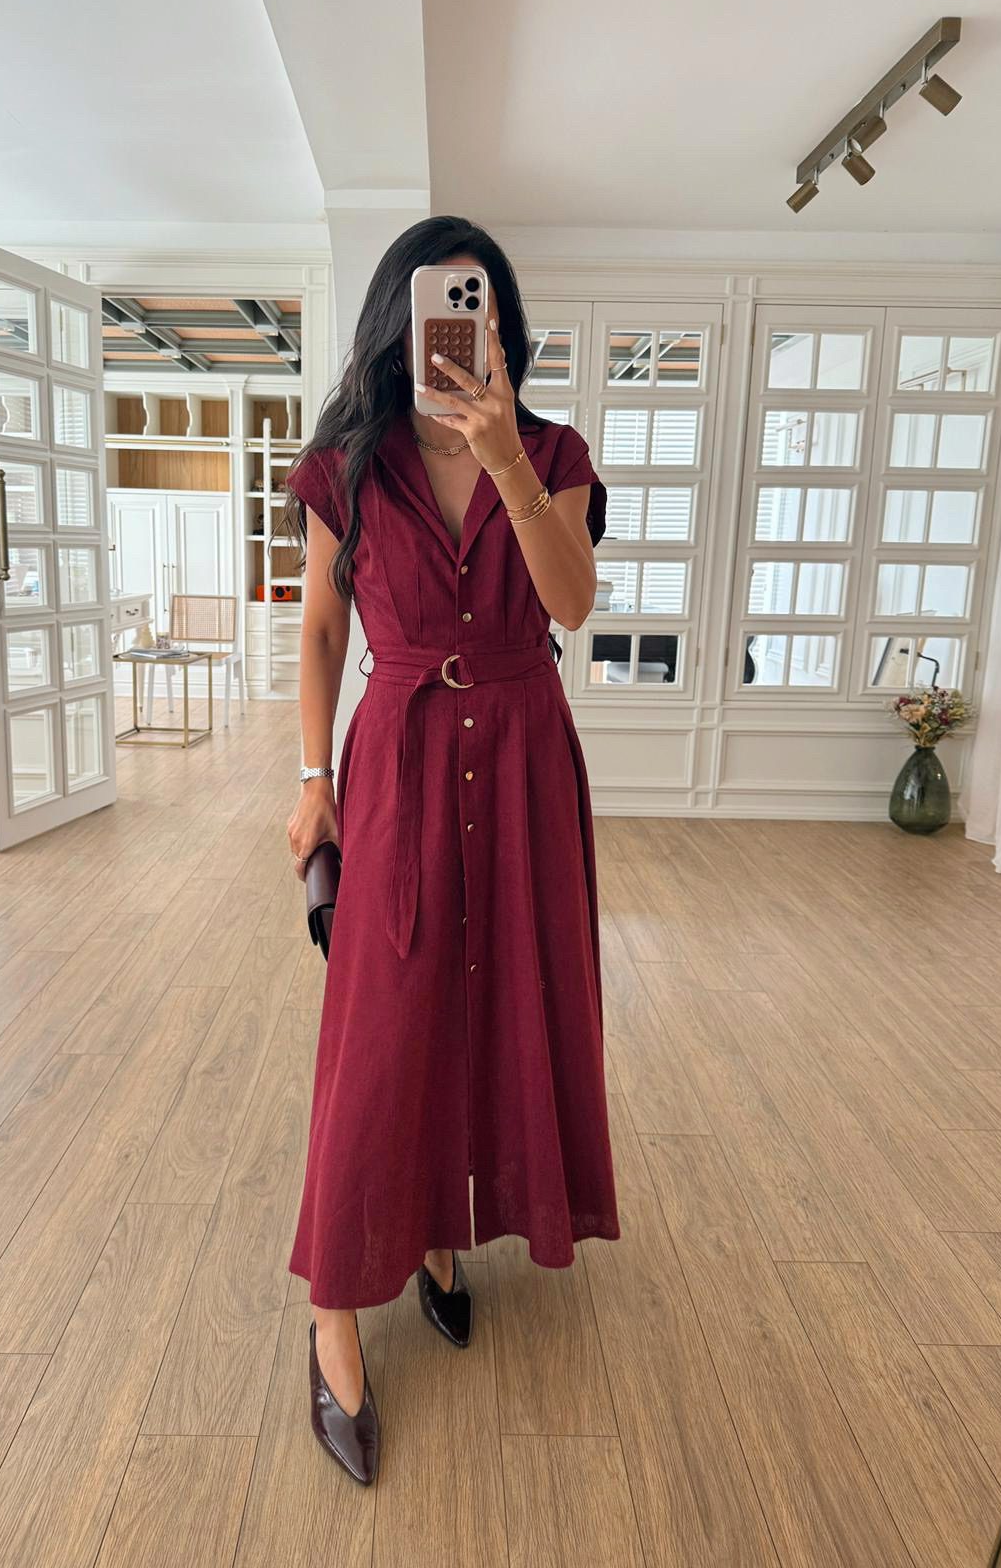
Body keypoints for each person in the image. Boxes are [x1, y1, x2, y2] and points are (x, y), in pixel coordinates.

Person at [281, 215, 621, 1486]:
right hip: (401, 762)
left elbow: (571, 601)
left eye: (480, 308)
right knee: (382, 1028)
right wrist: (311, 780)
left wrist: (502, 452)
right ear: (401, 319)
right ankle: (331, 1313)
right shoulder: (348, 465)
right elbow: (322, 630)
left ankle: (437, 1234)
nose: (459, 331)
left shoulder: (552, 451)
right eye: (439, 306)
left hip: (526, 755)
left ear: (500, 328)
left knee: (500, 1005)